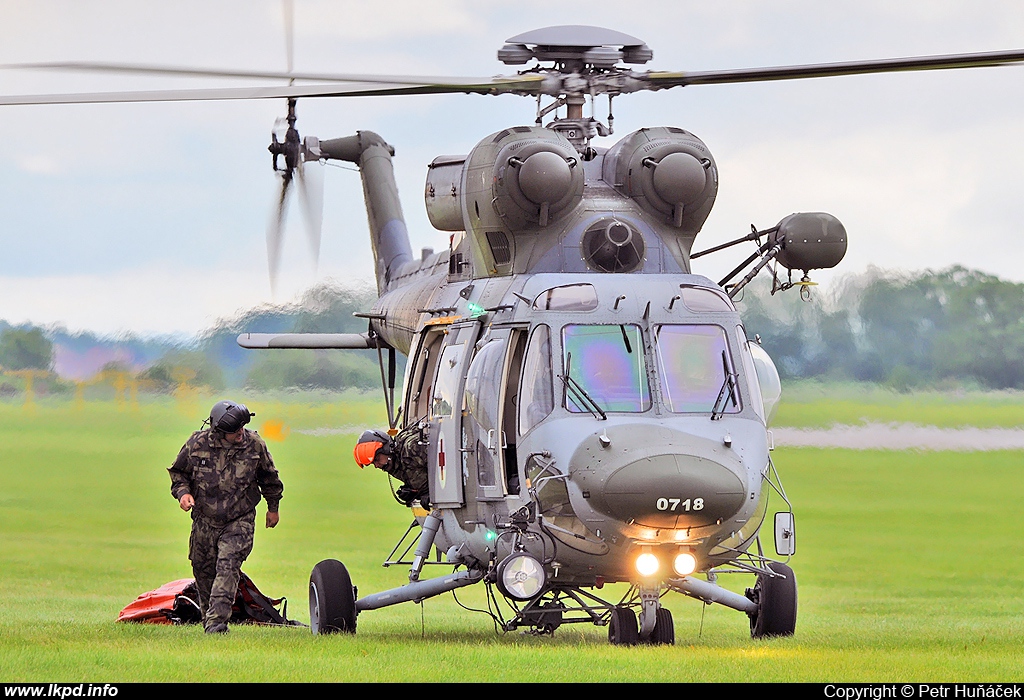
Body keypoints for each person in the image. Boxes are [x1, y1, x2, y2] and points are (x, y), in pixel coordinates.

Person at [168, 400, 284, 634]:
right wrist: (183, 493)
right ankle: (208, 619)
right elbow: (178, 472)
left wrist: (273, 508)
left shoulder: (254, 445)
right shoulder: (196, 443)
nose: (240, 433)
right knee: (203, 569)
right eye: (234, 431)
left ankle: (216, 625)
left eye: (242, 427)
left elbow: (269, 478)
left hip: (239, 518)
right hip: (204, 519)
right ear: (219, 432)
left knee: (228, 565)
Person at [354, 426, 430, 507]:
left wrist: (429, 492)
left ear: (386, 449)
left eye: (377, 459)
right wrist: (414, 491)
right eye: (373, 463)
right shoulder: (393, 463)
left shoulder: (412, 448)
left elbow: (443, 466)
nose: (377, 466)